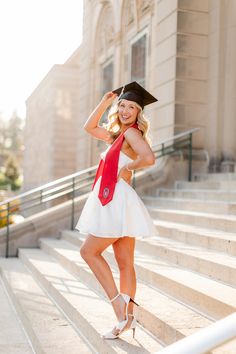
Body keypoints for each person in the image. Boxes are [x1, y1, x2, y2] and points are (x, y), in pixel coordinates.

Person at [75, 81, 158, 339]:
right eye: (122, 105)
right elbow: (89, 127)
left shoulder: (132, 134)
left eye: (131, 107)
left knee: (88, 251)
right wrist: (105, 101)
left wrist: (127, 168)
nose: (125, 110)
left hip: (115, 199)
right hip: (117, 199)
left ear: (138, 113)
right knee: (125, 264)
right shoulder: (117, 135)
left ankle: (118, 306)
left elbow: (149, 158)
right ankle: (127, 319)